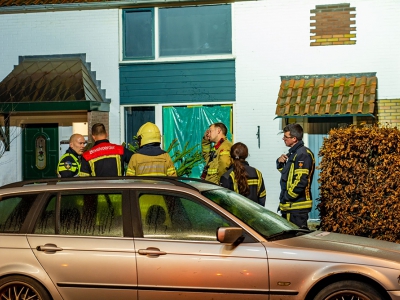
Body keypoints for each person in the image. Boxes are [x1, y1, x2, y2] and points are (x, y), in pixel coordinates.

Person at [276, 123, 315, 229]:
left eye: (286, 137)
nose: (283, 138)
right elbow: (287, 174)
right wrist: (280, 162)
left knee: (297, 239)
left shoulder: (303, 154)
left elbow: (301, 181)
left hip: (297, 207)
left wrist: (287, 197)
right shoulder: (294, 153)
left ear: (294, 138)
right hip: (290, 207)